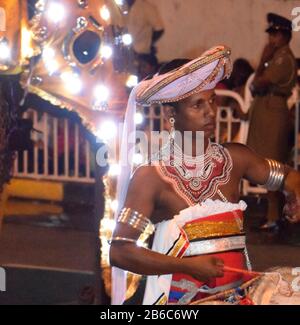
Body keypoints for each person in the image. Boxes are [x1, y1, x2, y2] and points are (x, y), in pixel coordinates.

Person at [109, 46, 300, 305]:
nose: (210, 111)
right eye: (197, 104)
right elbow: (120, 251)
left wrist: (293, 193)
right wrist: (188, 266)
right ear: (170, 115)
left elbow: (289, 176)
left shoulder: (236, 159)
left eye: (212, 100)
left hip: (237, 296)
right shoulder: (151, 177)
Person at [247, 13, 297, 231]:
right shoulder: (275, 56)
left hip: (273, 114)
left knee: (272, 165)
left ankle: (275, 216)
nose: (271, 39)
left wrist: (261, 63)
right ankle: (273, 215)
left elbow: (259, 83)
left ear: (286, 35)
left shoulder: (282, 58)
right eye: (271, 34)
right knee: (267, 166)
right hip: (267, 113)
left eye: (275, 34)